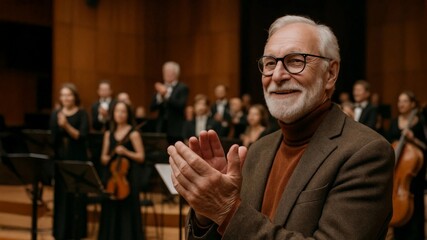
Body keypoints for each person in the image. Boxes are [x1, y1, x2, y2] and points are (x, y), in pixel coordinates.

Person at [168, 15, 395, 239]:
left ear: (331, 74)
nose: (277, 75)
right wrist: (206, 210)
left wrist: (226, 210)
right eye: (269, 63)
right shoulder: (258, 150)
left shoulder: (365, 152)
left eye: (296, 61)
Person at [98, 101, 145, 240]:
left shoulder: (133, 133)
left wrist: (126, 152)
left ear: (128, 114)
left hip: (128, 178)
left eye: (123, 111)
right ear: (113, 114)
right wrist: (106, 159)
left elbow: (141, 157)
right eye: (117, 111)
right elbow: (103, 157)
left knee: (127, 210)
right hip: (112, 176)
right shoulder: (108, 133)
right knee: (110, 207)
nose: (120, 114)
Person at [50, 83, 89, 240]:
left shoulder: (82, 114)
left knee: (76, 197)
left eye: (69, 95)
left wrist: (66, 125)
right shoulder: (56, 114)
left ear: (75, 97)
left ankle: (77, 233)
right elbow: (53, 139)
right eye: (63, 95)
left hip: (77, 159)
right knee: (61, 196)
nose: (66, 98)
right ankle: (60, 232)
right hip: (61, 160)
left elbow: (82, 136)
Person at [386, 91, 426, 240]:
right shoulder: (394, 122)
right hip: (399, 172)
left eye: (404, 101)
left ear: (413, 104)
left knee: (416, 212)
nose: (400, 104)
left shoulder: (419, 121)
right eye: (399, 101)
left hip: (414, 174)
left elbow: (425, 147)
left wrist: (413, 139)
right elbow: (389, 144)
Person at [150, 61, 189, 144]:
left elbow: (180, 105)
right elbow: (152, 107)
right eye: (165, 72)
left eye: (169, 72)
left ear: (176, 74)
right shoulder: (161, 87)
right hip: (161, 128)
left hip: (176, 129)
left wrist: (166, 95)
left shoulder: (182, 88)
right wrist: (160, 96)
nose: (166, 74)